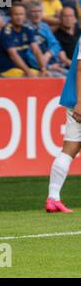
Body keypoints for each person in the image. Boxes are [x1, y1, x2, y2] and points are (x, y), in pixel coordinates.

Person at [45, 35, 81, 213]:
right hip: (78, 101)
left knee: (70, 150)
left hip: (74, 100)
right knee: (69, 150)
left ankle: (53, 198)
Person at [0, 2, 51, 78]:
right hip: (8, 70)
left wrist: (43, 69)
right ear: (11, 16)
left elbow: (36, 50)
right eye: (16, 14)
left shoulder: (27, 28)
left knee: (46, 76)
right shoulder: (6, 32)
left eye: (21, 14)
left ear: (25, 16)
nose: (19, 17)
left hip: (23, 69)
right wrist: (28, 72)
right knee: (34, 78)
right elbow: (13, 55)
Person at [25, 0, 69, 76]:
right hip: (38, 68)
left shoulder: (44, 26)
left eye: (39, 11)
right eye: (33, 11)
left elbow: (56, 45)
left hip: (54, 63)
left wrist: (48, 54)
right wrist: (48, 66)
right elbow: (28, 55)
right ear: (28, 14)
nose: (37, 14)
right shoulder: (25, 29)